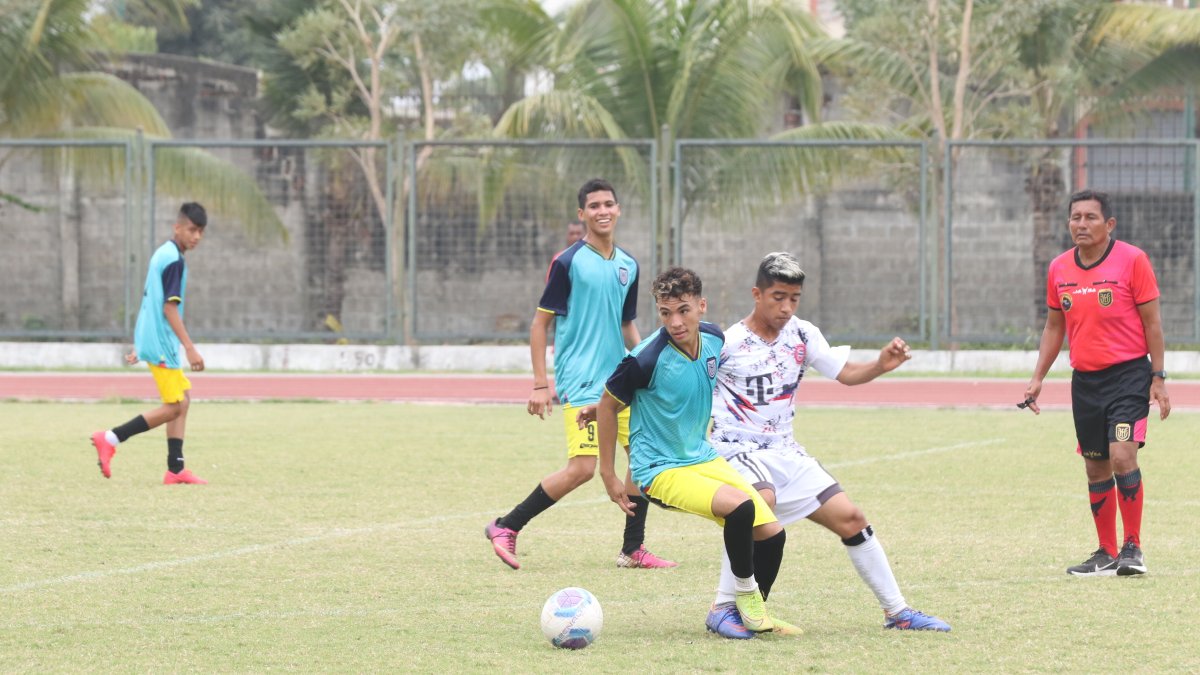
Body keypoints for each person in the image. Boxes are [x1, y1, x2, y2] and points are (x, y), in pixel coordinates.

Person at [702, 252, 950, 639]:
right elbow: (686, 386)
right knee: (757, 504)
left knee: (852, 518)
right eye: (778, 297)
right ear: (757, 294)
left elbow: (845, 374)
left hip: (785, 449)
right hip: (737, 448)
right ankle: (723, 607)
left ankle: (897, 611)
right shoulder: (728, 342)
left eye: (794, 298)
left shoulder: (802, 333)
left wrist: (881, 364)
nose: (786, 307)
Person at [593, 266, 801, 635]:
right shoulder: (645, 358)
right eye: (665, 312)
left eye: (683, 310)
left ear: (701, 306)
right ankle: (741, 603)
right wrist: (609, 474)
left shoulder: (714, 339)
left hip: (700, 456)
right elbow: (609, 404)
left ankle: (751, 615)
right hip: (658, 468)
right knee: (740, 508)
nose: (675, 321)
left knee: (772, 532)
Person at [485, 179, 675, 570]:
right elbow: (539, 325)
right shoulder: (568, 262)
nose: (602, 211)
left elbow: (627, 326)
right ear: (582, 214)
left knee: (641, 459)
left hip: (618, 379)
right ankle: (506, 526)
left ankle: (632, 549)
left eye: (609, 204)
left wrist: (646, 364)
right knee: (583, 469)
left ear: (618, 210)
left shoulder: (628, 265)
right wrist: (541, 383)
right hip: (582, 381)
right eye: (594, 206)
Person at [1023, 189, 1170, 577]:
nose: (1081, 224)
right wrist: (1038, 378)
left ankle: (1132, 548)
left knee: (1123, 454)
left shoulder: (1133, 260)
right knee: (1095, 468)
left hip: (1129, 376)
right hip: (1085, 382)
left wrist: (1158, 376)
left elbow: (1153, 323)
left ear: (1109, 225)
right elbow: (1055, 327)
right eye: (1075, 217)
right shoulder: (1058, 268)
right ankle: (1105, 553)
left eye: (1090, 217)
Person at [90, 202, 209, 485]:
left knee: (184, 399)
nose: (196, 237)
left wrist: (139, 344)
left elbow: (148, 302)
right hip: (162, 343)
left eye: (201, 232)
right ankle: (110, 438)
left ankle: (176, 469)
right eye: (192, 230)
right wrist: (190, 347)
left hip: (154, 340)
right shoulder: (174, 261)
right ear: (177, 227)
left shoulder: (164, 253)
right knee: (174, 406)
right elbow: (168, 309)